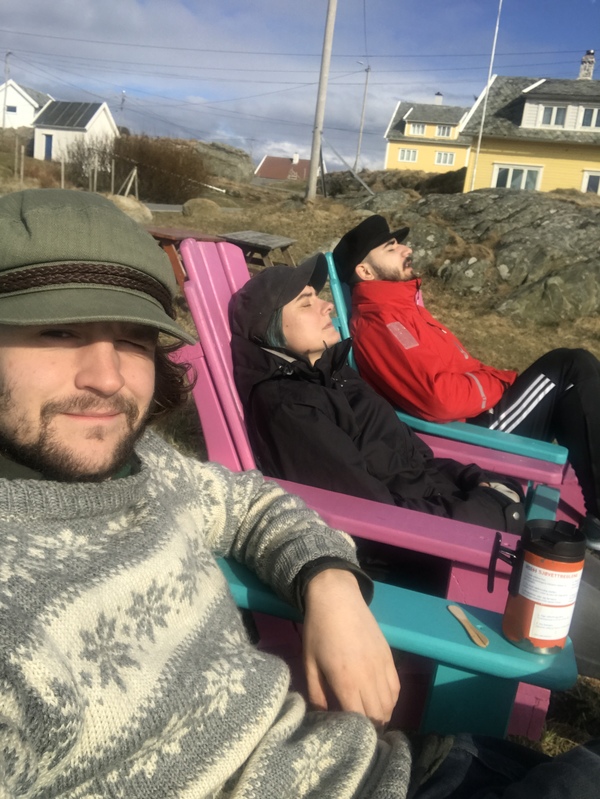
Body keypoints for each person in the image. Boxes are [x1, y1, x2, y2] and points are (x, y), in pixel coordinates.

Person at [0, 189, 598, 799]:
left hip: (373, 758)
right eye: (58, 330)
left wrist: (328, 578)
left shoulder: (146, 463)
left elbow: (246, 503)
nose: (106, 378)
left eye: (133, 338)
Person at [333, 214, 600, 550]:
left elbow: (464, 370)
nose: (407, 249)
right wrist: (501, 384)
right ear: (365, 271)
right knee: (571, 366)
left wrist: (493, 382)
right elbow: (438, 400)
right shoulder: (382, 324)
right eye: (391, 248)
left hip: (476, 415)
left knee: (572, 378)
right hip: (470, 432)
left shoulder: (404, 310)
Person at [231, 257, 527, 536]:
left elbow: (417, 460)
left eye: (318, 297)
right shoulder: (290, 407)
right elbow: (370, 514)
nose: (327, 306)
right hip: (420, 543)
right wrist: (489, 510)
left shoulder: (335, 374)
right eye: (306, 303)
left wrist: (473, 480)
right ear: (268, 331)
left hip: (441, 506)